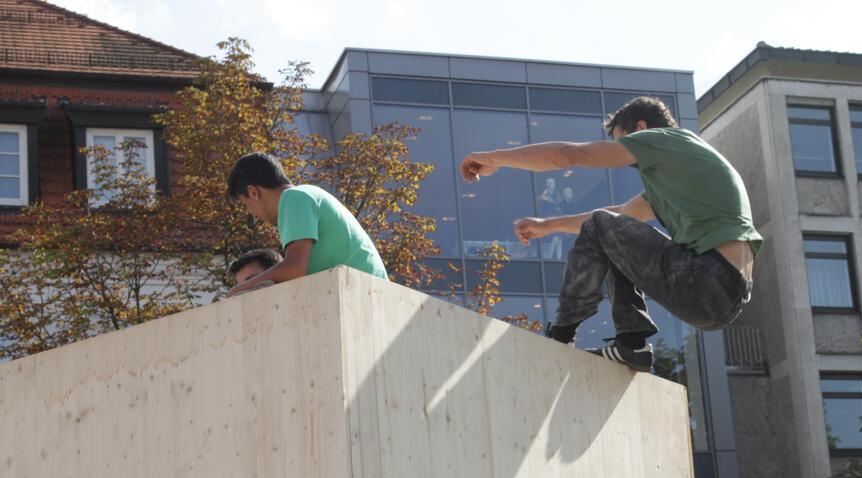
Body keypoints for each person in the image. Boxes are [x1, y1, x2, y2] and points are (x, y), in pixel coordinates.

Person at [460, 96, 762, 372]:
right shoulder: (677, 176)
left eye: (622, 144)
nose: (629, 163)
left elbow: (570, 155)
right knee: (608, 230)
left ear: (641, 128)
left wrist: (494, 158)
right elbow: (612, 223)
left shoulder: (664, 140)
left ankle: (563, 336)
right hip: (724, 298)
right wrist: (547, 225)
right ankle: (632, 346)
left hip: (709, 279)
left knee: (603, 225)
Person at [225, 152, 387, 298]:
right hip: (368, 292)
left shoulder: (293, 198)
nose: (252, 214)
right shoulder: (306, 194)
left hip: (365, 295)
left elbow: (294, 269)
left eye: (246, 205)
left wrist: (238, 291)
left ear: (254, 192)